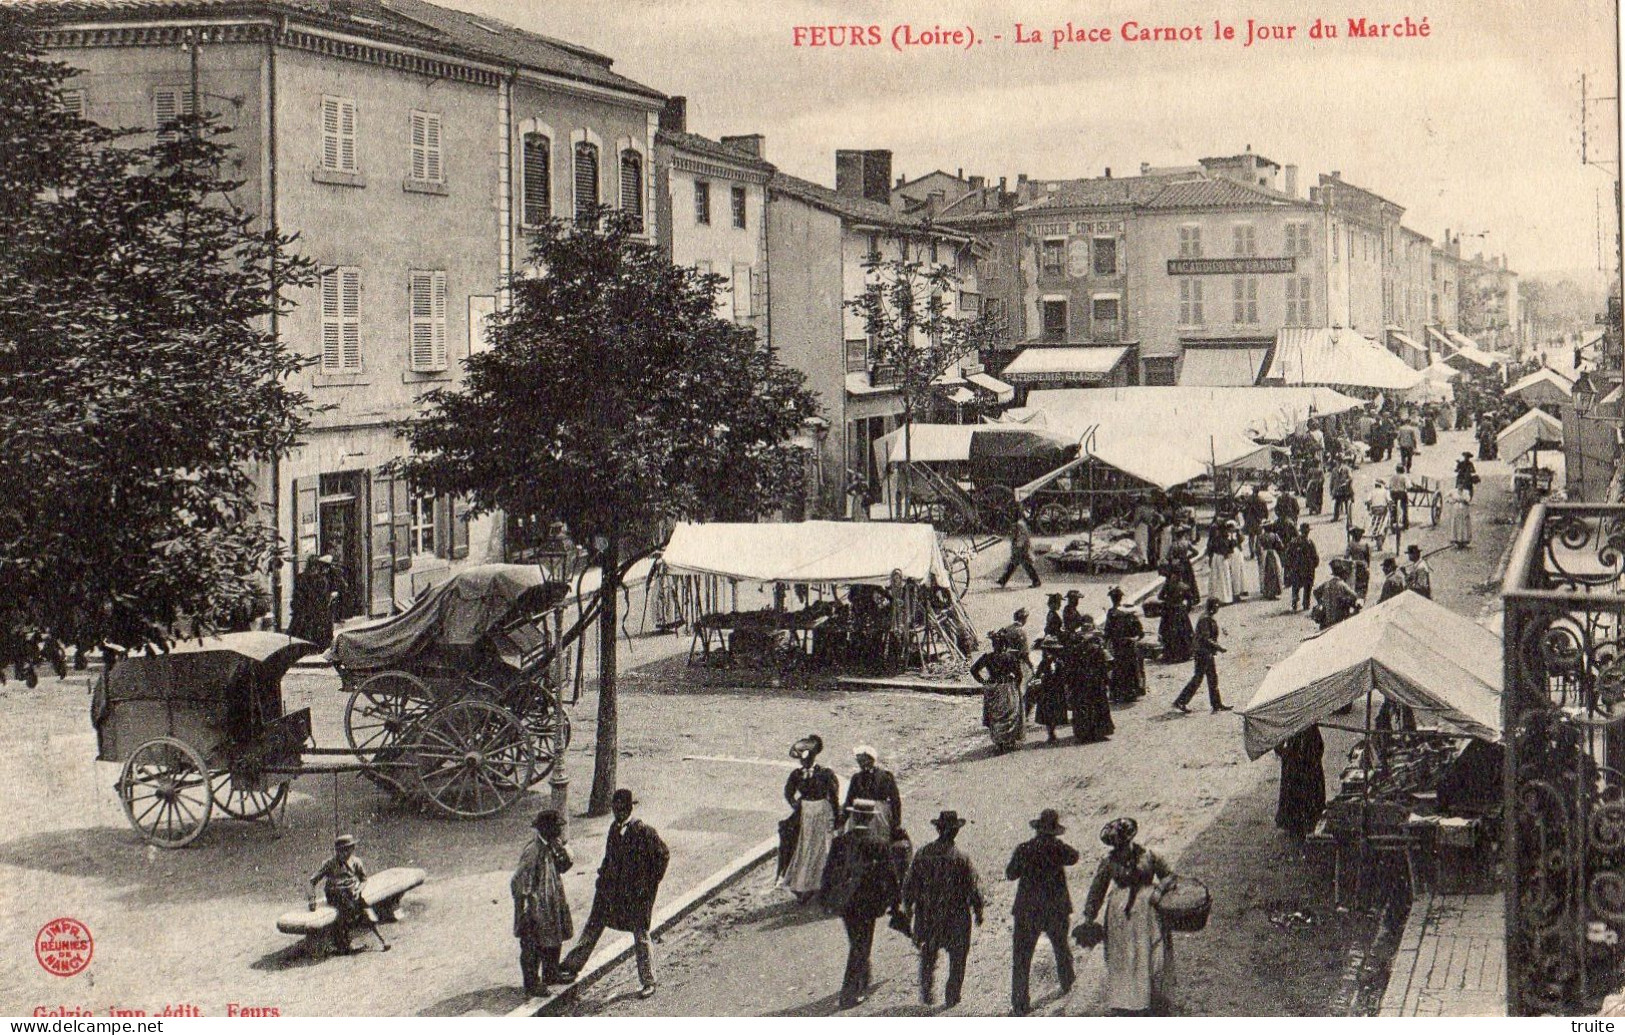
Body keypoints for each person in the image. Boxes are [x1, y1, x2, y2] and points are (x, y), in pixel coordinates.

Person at [560, 790, 669, 998]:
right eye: (615, 809)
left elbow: (663, 856)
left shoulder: (644, 832)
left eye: (621, 810)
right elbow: (609, 856)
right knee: (593, 925)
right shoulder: (613, 828)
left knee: (641, 936)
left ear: (629, 809)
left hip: (636, 896)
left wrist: (648, 885)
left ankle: (648, 981)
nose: (617, 814)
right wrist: (602, 878)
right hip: (611, 892)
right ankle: (572, 966)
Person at [1079, 818, 1176, 1015]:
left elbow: (1169, 876)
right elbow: (1097, 889)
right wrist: (1090, 915)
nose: (1121, 848)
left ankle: (1153, 999)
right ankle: (1127, 1002)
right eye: (1117, 845)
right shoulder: (1108, 862)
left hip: (1148, 911)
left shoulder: (1149, 855)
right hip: (1120, 915)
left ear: (1131, 839)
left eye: (1124, 843)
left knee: (1151, 953)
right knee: (1124, 955)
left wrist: (1159, 891)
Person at [902, 810, 984, 1008]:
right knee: (958, 957)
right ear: (955, 832)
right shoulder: (961, 857)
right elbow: (973, 888)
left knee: (928, 954)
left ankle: (927, 992)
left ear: (938, 829)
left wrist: (908, 908)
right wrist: (978, 911)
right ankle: (952, 995)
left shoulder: (923, 853)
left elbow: (910, 884)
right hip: (956, 917)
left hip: (928, 914)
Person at [822, 800, 900, 1009]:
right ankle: (848, 994)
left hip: (846, 903)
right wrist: (894, 903)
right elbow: (890, 877)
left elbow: (828, 873)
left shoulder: (840, 842)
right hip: (868, 905)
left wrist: (826, 899)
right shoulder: (879, 843)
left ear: (854, 817)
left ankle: (863, 978)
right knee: (860, 946)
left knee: (856, 942)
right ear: (872, 818)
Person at [1007, 809, 1079, 1015]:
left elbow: (1011, 874)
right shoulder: (1059, 848)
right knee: (1061, 949)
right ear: (1054, 831)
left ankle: (1020, 1003)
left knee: (1022, 956)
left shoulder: (1024, 849)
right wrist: (1056, 846)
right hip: (1056, 909)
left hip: (1028, 909)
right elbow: (1074, 857)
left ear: (1038, 829)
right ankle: (1068, 986)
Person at [512, 809, 573, 997]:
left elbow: (564, 866)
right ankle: (532, 984)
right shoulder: (533, 850)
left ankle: (551, 973)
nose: (559, 830)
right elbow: (519, 881)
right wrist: (527, 907)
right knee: (533, 945)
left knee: (554, 938)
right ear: (546, 828)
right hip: (536, 907)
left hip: (552, 902)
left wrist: (561, 850)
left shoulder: (551, 845)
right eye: (556, 827)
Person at [781, 736, 841, 902]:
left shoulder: (825, 774)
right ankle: (803, 884)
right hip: (806, 813)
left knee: (821, 847)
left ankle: (820, 884)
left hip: (821, 812)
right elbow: (788, 792)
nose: (804, 764)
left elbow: (834, 797)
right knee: (804, 847)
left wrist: (836, 818)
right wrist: (796, 805)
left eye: (807, 760)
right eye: (802, 761)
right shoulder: (796, 775)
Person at [308, 833, 368, 955]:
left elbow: (364, 879)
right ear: (337, 851)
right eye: (341, 851)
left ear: (352, 849)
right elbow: (312, 881)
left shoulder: (356, 862)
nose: (345, 853)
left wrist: (359, 889)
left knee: (361, 907)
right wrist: (312, 899)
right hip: (334, 893)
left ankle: (343, 939)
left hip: (351, 891)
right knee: (347, 907)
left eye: (348, 849)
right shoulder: (329, 863)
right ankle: (343, 944)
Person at [971, 631, 1026, 753]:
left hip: (994, 687)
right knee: (1010, 714)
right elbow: (1019, 675)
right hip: (1007, 687)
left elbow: (973, 670)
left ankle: (999, 743)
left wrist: (984, 682)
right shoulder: (1010, 657)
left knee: (996, 715)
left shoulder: (988, 657)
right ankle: (1010, 740)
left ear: (994, 645)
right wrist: (1015, 686)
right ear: (1004, 645)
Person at [1173, 599, 1230, 713]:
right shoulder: (1205, 619)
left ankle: (1216, 704)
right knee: (1198, 678)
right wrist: (1219, 648)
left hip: (1206, 652)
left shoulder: (1208, 617)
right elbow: (1205, 638)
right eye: (1217, 606)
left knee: (1212, 678)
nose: (1218, 608)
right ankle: (1181, 701)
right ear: (1212, 607)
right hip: (1202, 653)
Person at [1274, 727, 1327, 837]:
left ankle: (1302, 820)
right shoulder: (1301, 728)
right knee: (1299, 789)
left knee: (1302, 789)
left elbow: (1319, 748)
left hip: (1302, 761)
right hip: (1298, 761)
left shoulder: (1308, 730)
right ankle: (1301, 820)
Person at [1068, 626, 1115, 744]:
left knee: (1082, 707)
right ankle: (1099, 731)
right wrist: (1105, 679)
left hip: (1080, 683)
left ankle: (1084, 733)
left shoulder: (1075, 650)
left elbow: (1070, 668)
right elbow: (1109, 665)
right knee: (1098, 705)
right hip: (1096, 682)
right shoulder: (1098, 649)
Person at [844, 745, 902, 832]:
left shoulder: (886, 776)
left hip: (879, 813)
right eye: (859, 761)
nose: (861, 763)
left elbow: (895, 800)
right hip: (860, 813)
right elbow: (850, 799)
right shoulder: (856, 778)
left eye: (863, 760)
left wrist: (896, 822)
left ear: (871, 759)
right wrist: (843, 818)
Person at [1103, 587, 1146, 703]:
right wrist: (1134, 639)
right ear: (1121, 598)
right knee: (1131, 667)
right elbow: (1140, 632)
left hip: (1118, 645)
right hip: (1129, 644)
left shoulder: (1111, 613)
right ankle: (1132, 692)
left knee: (1119, 668)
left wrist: (1105, 642)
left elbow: (1107, 631)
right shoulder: (1129, 612)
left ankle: (1119, 693)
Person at [289, 553, 338, 649]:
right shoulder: (318, 579)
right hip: (311, 611)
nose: (316, 569)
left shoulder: (305, 578)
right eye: (315, 566)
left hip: (310, 610)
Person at [1030, 639, 1072, 743]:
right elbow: (1038, 675)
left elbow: (1038, 675)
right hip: (1051, 689)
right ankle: (1051, 733)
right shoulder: (1049, 662)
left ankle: (1051, 733)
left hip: (1053, 689)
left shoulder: (1055, 662)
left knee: (1052, 711)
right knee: (1050, 711)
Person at [1156, 571, 1196, 664]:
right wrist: (1186, 610)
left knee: (1168, 633)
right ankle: (1185, 653)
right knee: (1183, 632)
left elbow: (1160, 597)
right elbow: (1190, 600)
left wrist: (1168, 600)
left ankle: (1170, 654)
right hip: (1180, 611)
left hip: (1169, 611)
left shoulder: (1167, 585)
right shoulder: (1185, 587)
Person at [1312, 559, 1362, 628]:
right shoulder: (1342, 585)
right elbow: (1355, 596)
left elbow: (1315, 592)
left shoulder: (1327, 584)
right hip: (1338, 619)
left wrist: (1321, 602)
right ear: (1342, 574)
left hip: (1327, 619)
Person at [1283, 523, 1319, 613]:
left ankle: (1294, 603)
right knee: (1308, 586)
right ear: (1308, 532)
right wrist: (1314, 564)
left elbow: (1288, 554)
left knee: (1296, 586)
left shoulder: (1294, 542)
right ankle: (1306, 604)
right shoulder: (1310, 542)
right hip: (1308, 568)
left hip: (1297, 568)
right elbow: (1315, 556)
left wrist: (1290, 565)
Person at [998, 517, 1042, 588]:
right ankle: (1003, 580)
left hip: (1021, 548)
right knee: (1013, 564)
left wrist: (1017, 546)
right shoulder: (1019, 524)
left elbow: (1022, 537)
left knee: (1025, 565)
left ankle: (1036, 581)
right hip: (1020, 547)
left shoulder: (1019, 525)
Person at [1204, 520, 1236, 605]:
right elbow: (1231, 550)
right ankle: (1225, 598)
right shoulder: (1226, 539)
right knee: (1224, 577)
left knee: (1216, 578)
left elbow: (1210, 548)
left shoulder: (1216, 539)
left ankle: (1217, 597)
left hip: (1216, 558)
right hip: (1222, 559)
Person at [1256, 525, 1284, 601]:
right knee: (1275, 572)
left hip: (1264, 554)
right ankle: (1274, 592)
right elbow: (1281, 545)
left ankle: (1266, 591)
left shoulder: (1260, 536)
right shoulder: (1274, 535)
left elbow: (1257, 548)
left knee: (1265, 573)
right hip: (1273, 553)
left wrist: (1259, 557)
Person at [1344, 528, 1372, 600]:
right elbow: (1368, 558)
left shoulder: (1351, 544)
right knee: (1361, 585)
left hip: (1357, 566)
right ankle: (1361, 598)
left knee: (1359, 585)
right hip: (1360, 566)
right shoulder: (1364, 544)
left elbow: (1346, 557)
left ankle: (1359, 598)